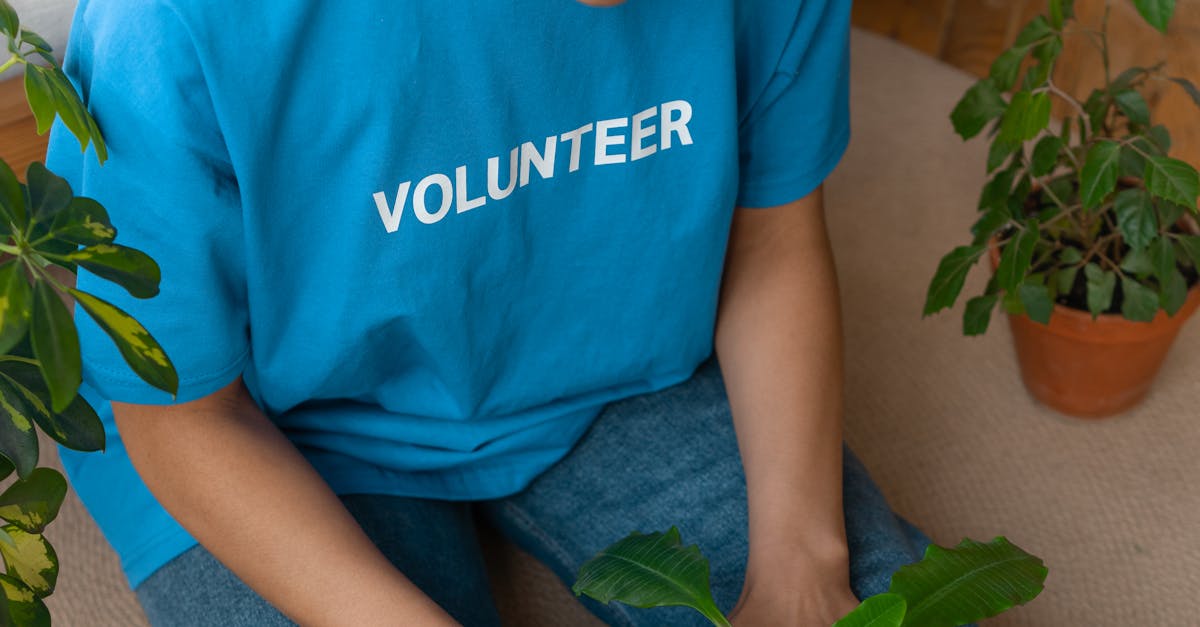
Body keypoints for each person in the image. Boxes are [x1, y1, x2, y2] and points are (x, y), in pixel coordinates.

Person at [46, 1, 940, 625]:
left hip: (617, 362)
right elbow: (183, 420)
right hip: (273, 428)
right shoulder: (166, 21)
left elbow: (773, 240)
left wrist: (803, 561)